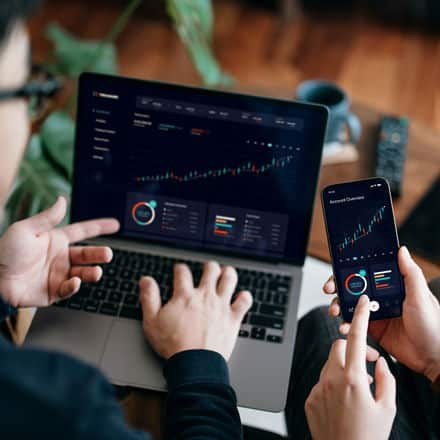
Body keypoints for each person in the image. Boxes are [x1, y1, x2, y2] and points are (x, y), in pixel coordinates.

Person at [0, 2, 439, 440]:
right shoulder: (64, 410)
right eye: (30, 89)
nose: (29, 111)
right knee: (327, 327)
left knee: (323, 328)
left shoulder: (57, 404)